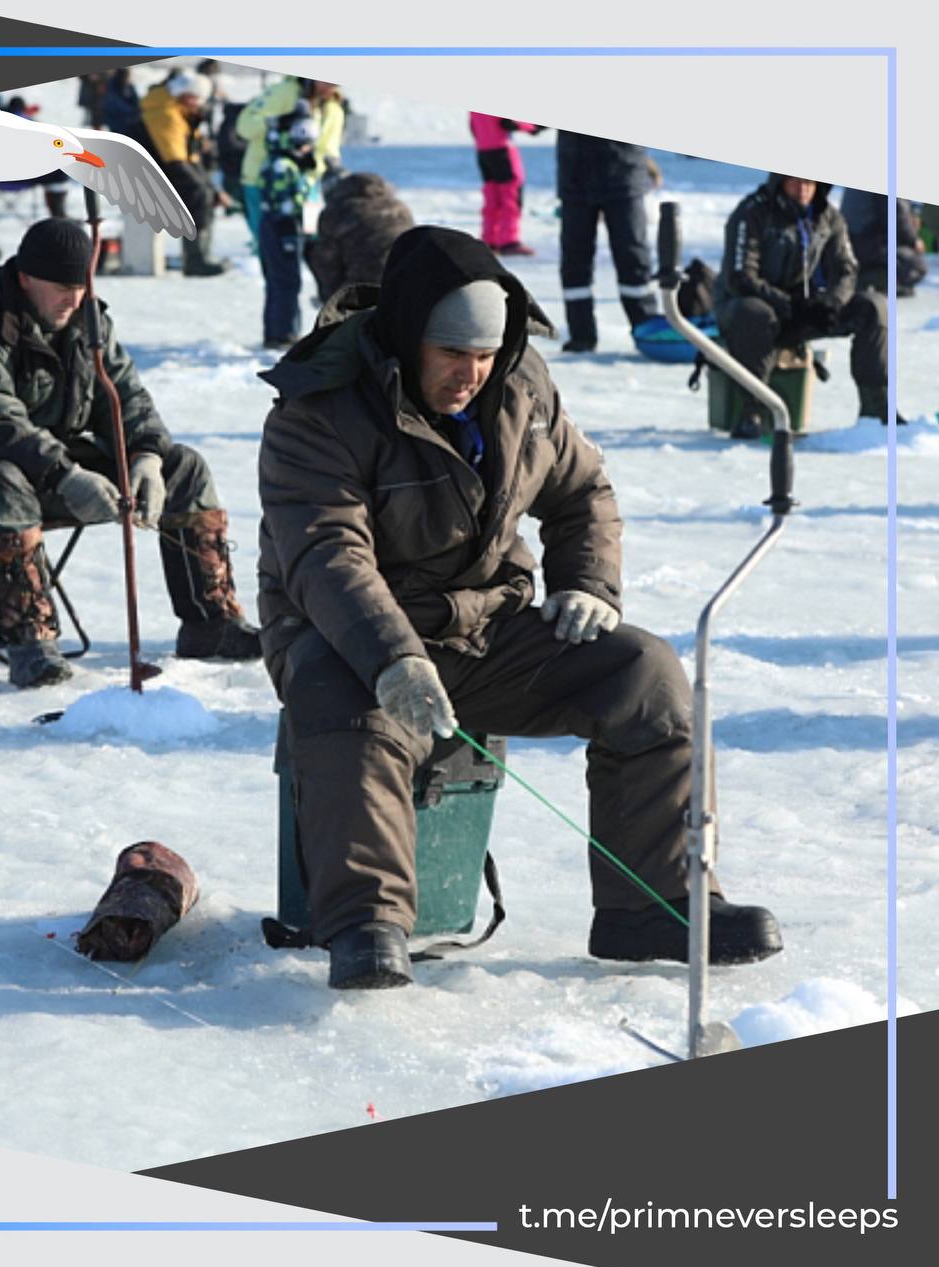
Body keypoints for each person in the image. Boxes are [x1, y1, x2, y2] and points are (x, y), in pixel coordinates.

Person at [256, 224, 782, 989]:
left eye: (484, 354)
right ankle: (369, 922)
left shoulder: (521, 388)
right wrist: (395, 656)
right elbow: (327, 557)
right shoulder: (320, 408)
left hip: (483, 627)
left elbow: (582, 493)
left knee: (644, 673)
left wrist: (586, 585)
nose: (472, 373)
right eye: (452, 354)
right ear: (406, 336)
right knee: (357, 708)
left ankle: (654, 906)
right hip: (344, 634)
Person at [0, 219, 261, 689]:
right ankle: (31, 642)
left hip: (58, 470)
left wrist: (147, 456)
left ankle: (211, 622)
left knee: (186, 467)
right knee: (1, 480)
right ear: (25, 279)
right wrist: (65, 475)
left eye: (81, 287)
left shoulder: (90, 324)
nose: (73, 299)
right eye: (62, 287)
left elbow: (126, 397)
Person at [715, 174, 891, 434]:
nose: (803, 189)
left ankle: (876, 408)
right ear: (779, 182)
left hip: (802, 308)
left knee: (872, 306)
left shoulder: (828, 217)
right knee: (755, 313)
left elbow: (847, 270)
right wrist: (787, 303)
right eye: (795, 181)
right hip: (749, 307)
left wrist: (831, 303)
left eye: (810, 182)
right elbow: (740, 277)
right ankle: (752, 409)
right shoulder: (751, 213)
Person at [556, 130, 660, 353]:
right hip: (575, 177)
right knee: (575, 260)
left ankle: (647, 329)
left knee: (633, 256)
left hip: (624, 174)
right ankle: (581, 334)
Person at [236, 77, 344, 251]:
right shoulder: (283, 93)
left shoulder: (333, 110)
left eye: (335, 84)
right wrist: (276, 122)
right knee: (271, 246)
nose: (330, 88)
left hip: (308, 188)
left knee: (312, 246)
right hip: (265, 182)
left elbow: (329, 150)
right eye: (326, 82)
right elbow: (245, 127)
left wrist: (330, 169)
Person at [139, 70, 228, 277]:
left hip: (165, 165)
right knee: (198, 193)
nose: (199, 104)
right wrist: (203, 187)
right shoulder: (166, 113)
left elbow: (191, 156)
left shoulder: (180, 111)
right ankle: (194, 260)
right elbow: (174, 158)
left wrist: (212, 187)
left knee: (206, 191)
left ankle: (201, 255)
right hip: (153, 169)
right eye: (196, 99)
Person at [257, 110, 320, 348]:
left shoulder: (292, 163)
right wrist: (290, 228)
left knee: (285, 280)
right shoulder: (282, 166)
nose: (308, 147)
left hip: (289, 225)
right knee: (284, 281)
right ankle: (282, 334)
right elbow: (283, 202)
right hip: (281, 226)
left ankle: (281, 331)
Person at [306, 171, 414, 304]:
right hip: (407, 283)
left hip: (363, 288)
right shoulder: (400, 207)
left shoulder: (335, 212)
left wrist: (329, 301)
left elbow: (326, 265)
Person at [469, 113, 543, 256]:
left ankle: (489, 239)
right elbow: (508, 122)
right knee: (511, 195)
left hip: (483, 151)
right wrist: (532, 127)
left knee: (491, 196)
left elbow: (472, 126)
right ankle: (508, 241)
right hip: (502, 149)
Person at [839, 189, 928, 297]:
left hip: (851, 245)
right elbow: (895, 216)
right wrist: (914, 240)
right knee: (917, 266)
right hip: (865, 246)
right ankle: (874, 279)